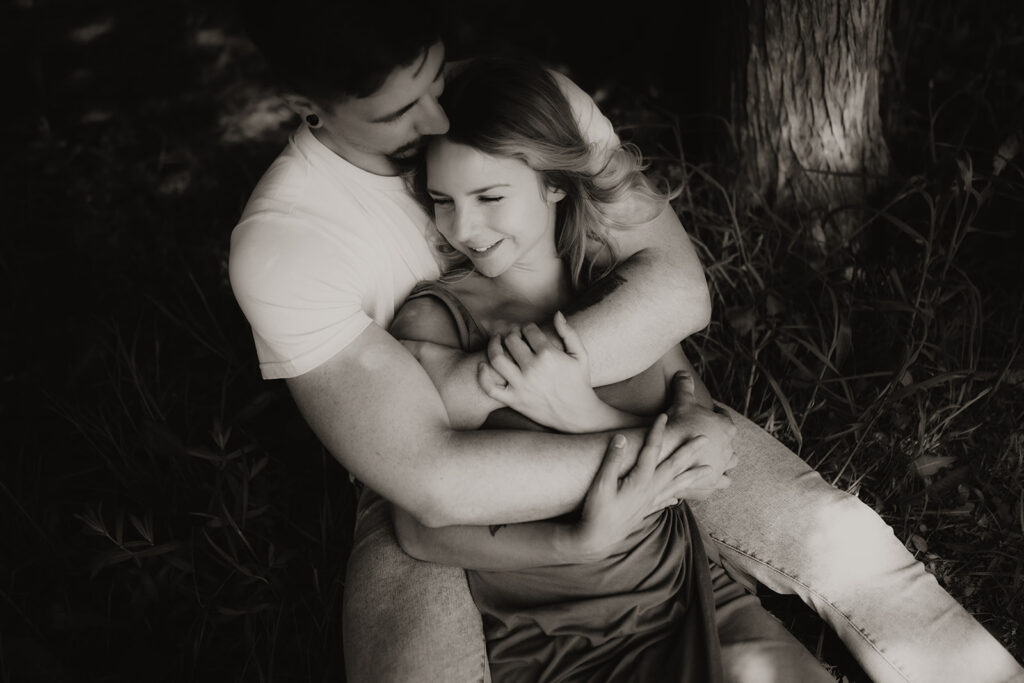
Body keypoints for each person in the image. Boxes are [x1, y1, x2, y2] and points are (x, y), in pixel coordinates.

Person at [229, 2, 1024, 682]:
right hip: (428, 476)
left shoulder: (514, 106)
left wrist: (574, 400)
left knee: (847, 546)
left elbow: (675, 290)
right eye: (402, 113)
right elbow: (430, 485)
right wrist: (649, 451)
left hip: (624, 401)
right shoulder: (288, 241)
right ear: (309, 105)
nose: (437, 117)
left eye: (434, 79)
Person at [388, 55, 837, 682]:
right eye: (442, 201)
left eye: (490, 197)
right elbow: (416, 524)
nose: (463, 227)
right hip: (557, 638)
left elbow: (703, 435)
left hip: (684, 587)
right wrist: (572, 543)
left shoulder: (614, 295)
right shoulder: (438, 321)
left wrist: (582, 411)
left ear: (553, 184)